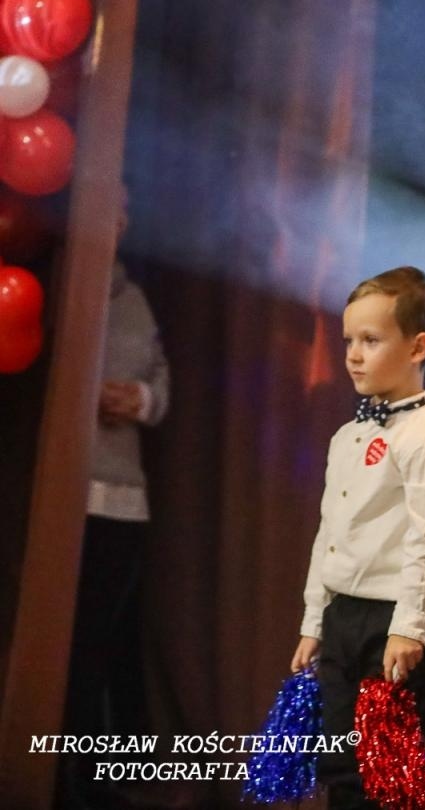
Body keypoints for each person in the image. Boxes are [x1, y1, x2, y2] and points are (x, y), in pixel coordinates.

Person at [289, 266, 425, 809]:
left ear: (418, 346)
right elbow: (331, 533)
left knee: (397, 773)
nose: (353, 354)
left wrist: (410, 629)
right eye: (349, 340)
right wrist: (313, 622)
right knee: (341, 764)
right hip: (344, 615)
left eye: (370, 341)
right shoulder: (347, 436)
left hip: (398, 620)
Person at [58, 196, 171, 810]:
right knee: (71, 648)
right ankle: (67, 785)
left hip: (125, 502)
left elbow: (162, 385)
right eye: (111, 206)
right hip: (69, 496)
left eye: (127, 211)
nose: (119, 218)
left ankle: (112, 788)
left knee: (109, 648)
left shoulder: (135, 298)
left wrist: (141, 400)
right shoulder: (60, 284)